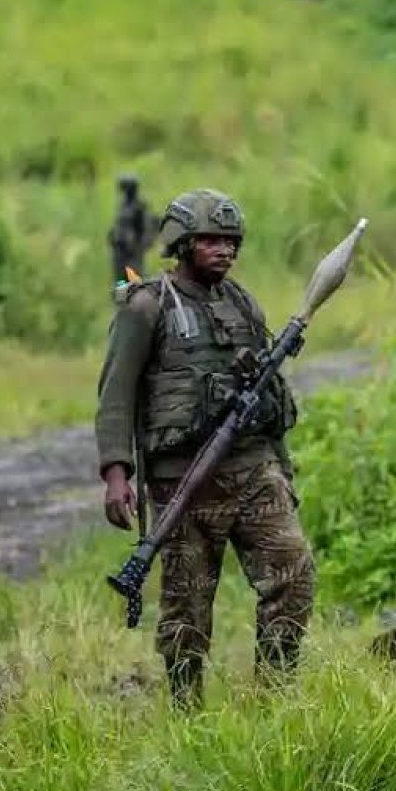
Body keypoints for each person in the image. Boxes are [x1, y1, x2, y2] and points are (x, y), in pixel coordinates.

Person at [95, 189, 314, 707]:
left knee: (294, 573)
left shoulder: (241, 302)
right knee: (187, 609)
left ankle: (275, 698)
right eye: (212, 240)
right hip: (183, 481)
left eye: (231, 241)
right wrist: (116, 473)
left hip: (253, 471)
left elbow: (266, 389)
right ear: (183, 243)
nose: (225, 251)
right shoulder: (148, 306)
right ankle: (186, 710)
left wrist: (282, 468)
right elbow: (116, 394)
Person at [107, 173, 155, 286]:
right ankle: (121, 301)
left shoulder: (139, 206)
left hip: (132, 251)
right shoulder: (123, 204)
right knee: (120, 281)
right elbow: (120, 224)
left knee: (134, 280)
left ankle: (135, 301)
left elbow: (146, 229)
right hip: (119, 249)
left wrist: (138, 248)